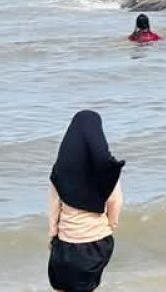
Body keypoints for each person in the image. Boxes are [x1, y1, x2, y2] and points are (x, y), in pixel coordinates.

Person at [48, 110, 123, 292]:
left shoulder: (61, 171)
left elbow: (53, 209)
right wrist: (109, 227)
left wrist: (52, 237)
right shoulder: (107, 173)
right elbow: (115, 203)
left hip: (68, 244)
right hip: (99, 243)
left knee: (62, 287)